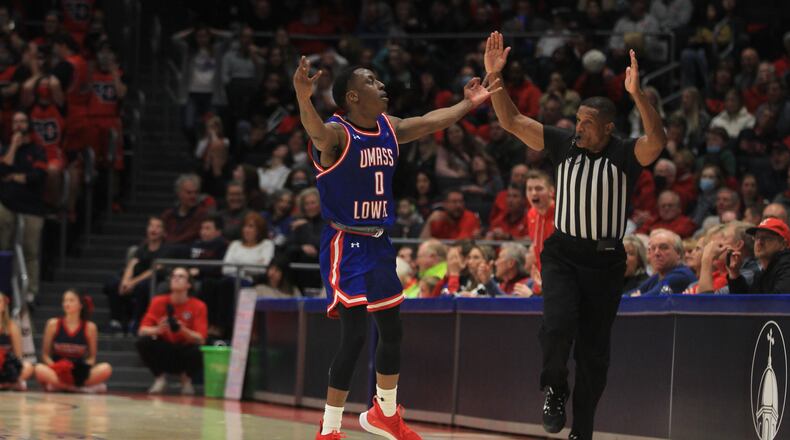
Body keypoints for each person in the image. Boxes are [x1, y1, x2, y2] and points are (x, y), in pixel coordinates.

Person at [294, 55, 498, 439]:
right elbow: (316, 134)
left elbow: (431, 121)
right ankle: (330, 428)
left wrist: (469, 103)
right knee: (354, 335)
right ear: (353, 96)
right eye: (371, 80)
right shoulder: (337, 134)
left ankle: (384, 414)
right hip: (346, 242)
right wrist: (304, 100)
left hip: (380, 242)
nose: (381, 85)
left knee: (392, 329)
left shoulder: (389, 127)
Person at [485, 32, 667, 439]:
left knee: (593, 355)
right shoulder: (562, 143)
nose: (579, 126)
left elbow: (658, 141)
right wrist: (494, 77)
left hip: (605, 263)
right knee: (556, 326)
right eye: (578, 118)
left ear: (607, 128)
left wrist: (638, 95)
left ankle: (581, 431)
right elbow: (510, 121)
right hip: (563, 254)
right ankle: (554, 388)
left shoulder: (624, 152)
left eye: (588, 122)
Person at [0, 112, 47, 311]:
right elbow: (2, 172)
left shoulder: (37, 150)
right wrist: (13, 146)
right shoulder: (6, 148)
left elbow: (38, 176)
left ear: (29, 124)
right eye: (15, 121)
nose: (19, 125)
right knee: (4, 248)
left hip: (31, 207)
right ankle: (4, 291)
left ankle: (30, 292)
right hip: (8, 204)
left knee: (30, 251)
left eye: (22, 121)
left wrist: (17, 176)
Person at [136, 267, 208, 395]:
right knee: (143, 342)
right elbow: (142, 330)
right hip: (164, 349)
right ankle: (160, 379)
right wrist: (158, 329)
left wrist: (182, 329)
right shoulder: (158, 301)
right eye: (173, 276)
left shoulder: (199, 306)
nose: (176, 278)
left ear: (189, 284)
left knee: (199, 350)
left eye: (181, 276)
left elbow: (201, 338)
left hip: (184, 349)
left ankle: (186, 380)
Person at [34, 289, 113, 392]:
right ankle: (79, 388)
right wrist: (57, 367)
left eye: (71, 300)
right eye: (65, 300)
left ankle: (61, 386)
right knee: (38, 369)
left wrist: (81, 371)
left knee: (106, 368)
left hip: (78, 373)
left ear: (80, 305)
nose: (67, 303)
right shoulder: (53, 324)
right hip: (57, 371)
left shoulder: (90, 327)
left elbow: (92, 358)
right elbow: (45, 355)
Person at [727, 218, 790, 294]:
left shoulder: (786, 266)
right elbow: (746, 303)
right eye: (757, 237)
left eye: (766, 238)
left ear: (783, 244)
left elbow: (779, 303)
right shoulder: (763, 272)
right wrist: (735, 273)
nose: (759, 242)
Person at [632, 229, 697, 296]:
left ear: (678, 253)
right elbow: (628, 296)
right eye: (653, 248)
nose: (656, 253)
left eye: (663, 247)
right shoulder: (658, 275)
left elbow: (646, 300)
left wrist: (635, 297)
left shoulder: (681, 275)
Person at [0, 293, 34, 390]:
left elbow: (18, 356)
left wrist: (9, 365)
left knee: (28, 366)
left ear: (4, 306)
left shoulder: (12, 326)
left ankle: (7, 384)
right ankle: (15, 384)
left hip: (7, 368)